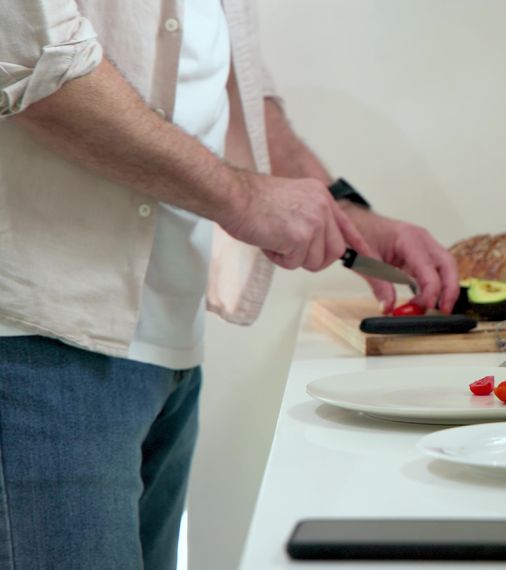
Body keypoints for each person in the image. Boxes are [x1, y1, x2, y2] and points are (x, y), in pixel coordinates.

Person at [0, 0, 458, 567]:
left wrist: (345, 215)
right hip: (37, 341)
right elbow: (35, 61)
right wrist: (243, 198)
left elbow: (238, 86)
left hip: (168, 344)